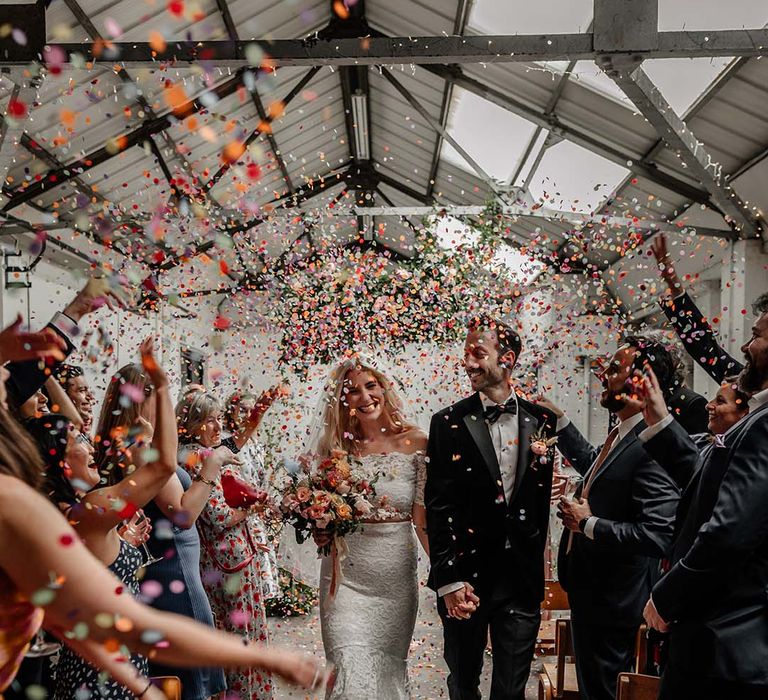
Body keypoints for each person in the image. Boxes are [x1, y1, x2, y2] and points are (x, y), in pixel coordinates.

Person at [0, 319, 331, 698]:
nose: (89, 442)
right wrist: (268, 657)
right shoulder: (53, 505)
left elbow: (78, 619)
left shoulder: (59, 504)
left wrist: (140, 686)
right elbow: (128, 619)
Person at [24, 337, 177, 700]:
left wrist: (123, 544)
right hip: (102, 678)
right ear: (59, 462)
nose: (90, 444)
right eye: (78, 439)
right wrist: (163, 385)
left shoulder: (65, 511)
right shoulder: (89, 510)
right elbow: (165, 465)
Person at [537, 335, 679, 700]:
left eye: (615, 369)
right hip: (592, 593)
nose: (604, 374)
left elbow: (658, 533)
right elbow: (597, 470)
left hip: (615, 602)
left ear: (641, 382)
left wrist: (588, 524)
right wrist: (561, 422)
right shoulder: (621, 434)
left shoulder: (650, 446)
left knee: (603, 693)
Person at [426, 316, 557, 700]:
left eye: (478, 353)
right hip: (465, 581)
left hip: (521, 580)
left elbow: (536, 502)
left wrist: (540, 569)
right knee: (464, 683)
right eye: (466, 354)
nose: (468, 362)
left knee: (511, 689)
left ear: (508, 359)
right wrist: (448, 580)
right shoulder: (446, 422)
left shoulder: (542, 420)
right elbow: (438, 506)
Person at [641, 303, 768, 700]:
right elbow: (706, 480)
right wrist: (660, 419)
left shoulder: (763, 425)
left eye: (759, 335)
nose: (747, 345)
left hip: (726, 642)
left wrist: (666, 595)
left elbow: (729, 532)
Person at [305, 355, 428, 699]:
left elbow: (422, 521)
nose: (364, 396)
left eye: (370, 386)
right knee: (348, 676)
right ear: (342, 400)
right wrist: (321, 527)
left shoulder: (418, 442)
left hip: (394, 582)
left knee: (386, 679)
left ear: (384, 389)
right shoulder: (336, 449)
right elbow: (321, 512)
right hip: (344, 580)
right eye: (353, 390)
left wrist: (453, 579)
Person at [176, 390, 274, 699]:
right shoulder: (196, 458)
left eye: (219, 419)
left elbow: (236, 442)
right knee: (240, 637)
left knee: (240, 634)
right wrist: (253, 508)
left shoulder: (205, 450)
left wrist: (257, 415)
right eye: (209, 421)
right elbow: (219, 517)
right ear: (192, 425)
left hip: (229, 558)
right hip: (228, 562)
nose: (218, 427)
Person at [650, 233, 763, 383]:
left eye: (756, 336)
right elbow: (704, 347)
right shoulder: (748, 383)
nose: (744, 347)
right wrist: (674, 285)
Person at [223, 389, 286, 602]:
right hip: (237, 514)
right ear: (231, 412)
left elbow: (259, 479)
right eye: (243, 410)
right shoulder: (227, 441)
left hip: (256, 515)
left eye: (252, 411)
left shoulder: (256, 444)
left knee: (260, 582)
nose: (247, 415)